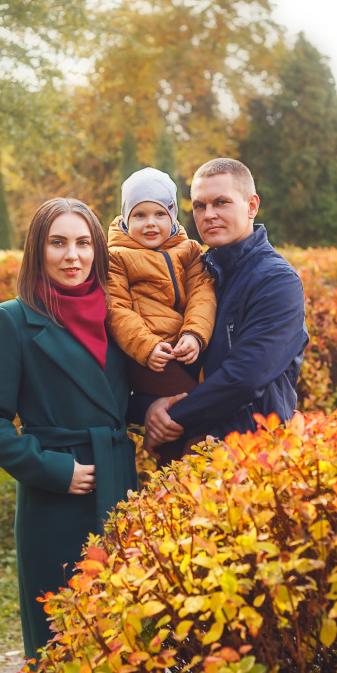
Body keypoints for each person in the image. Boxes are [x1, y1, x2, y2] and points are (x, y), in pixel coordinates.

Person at [0, 197, 138, 659]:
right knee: (59, 643)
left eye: (83, 243)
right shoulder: (12, 321)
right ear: (37, 250)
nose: (72, 256)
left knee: (124, 642)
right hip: (57, 498)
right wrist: (54, 471)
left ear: (98, 250)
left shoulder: (119, 315)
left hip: (121, 487)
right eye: (57, 243)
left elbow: (120, 398)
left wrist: (160, 411)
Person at [142, 157, 309, 452]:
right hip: (192, 458)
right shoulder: (194, 275)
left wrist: (170, 419)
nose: (209, 215)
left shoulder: (278, 282)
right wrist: (149, 408)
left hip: (254, 459)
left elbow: (245, 378)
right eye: (199, 206)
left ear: (252, 206)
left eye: (221, 203)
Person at [106, 166, 216, 460]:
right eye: (139, 215)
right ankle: (193, 476)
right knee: (199, 409)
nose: (150, 223)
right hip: (151, 358)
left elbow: (202, 295)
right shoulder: (117, 257)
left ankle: (170, 481)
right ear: (126, 220)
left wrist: (195, 334)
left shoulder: (189, 250)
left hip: (187, 351)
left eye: (159, 214)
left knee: (175, 420)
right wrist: (147, 346)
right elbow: (117, 310)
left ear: (172, 217)